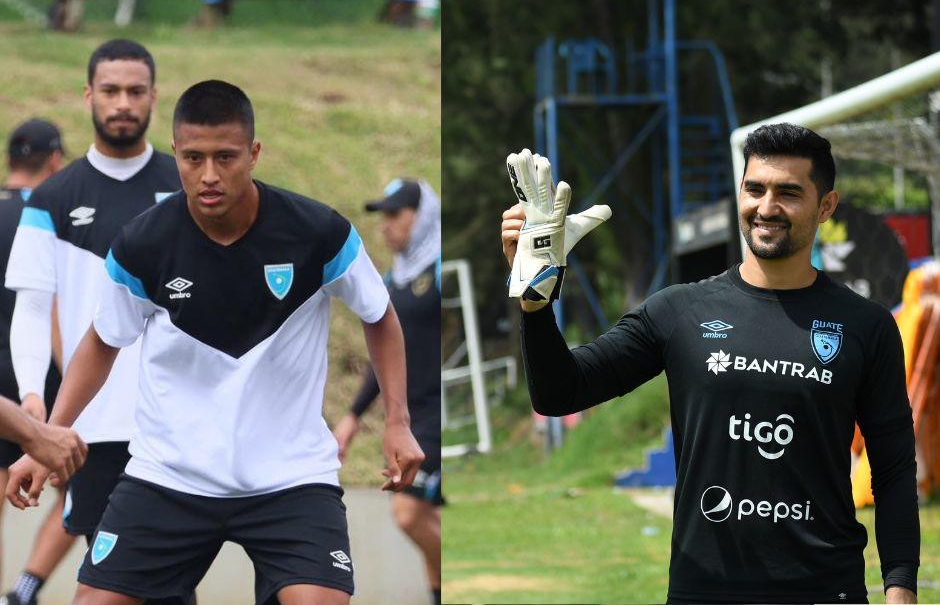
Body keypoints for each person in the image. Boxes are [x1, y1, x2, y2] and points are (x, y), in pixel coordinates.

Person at [6, 79, 424, 605]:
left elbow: (379, 315)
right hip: (169, 476)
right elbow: (101, 343)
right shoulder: (143, 244)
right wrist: (48, 437)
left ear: (253, 154)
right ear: (175, 153)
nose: (208, 175)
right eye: (192, 157)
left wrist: (397, 422)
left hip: (290, 479)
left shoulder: (318, 232)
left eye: (225, 157)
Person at [499, 124, 919, 604]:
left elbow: (892, 469)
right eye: (755, 189)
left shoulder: (865, 325)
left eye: (788, 193)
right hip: (705, 593)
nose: (766, 207)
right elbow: (559, 393)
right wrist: (535, 296)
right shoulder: (680, 310)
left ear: (826, 206)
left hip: (825, 590)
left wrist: (900, 586)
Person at [2, 40, 183, 604]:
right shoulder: (52, 199)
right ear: (88, 96)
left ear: (154, 96)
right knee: (124, 582)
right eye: (110, 90)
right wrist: (34, 397)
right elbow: (31, 308)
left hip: (181, 426)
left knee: (162, 581)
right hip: (97, 431)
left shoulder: (189, 186)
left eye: (135, 91)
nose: (122, 103)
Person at [334, 177, 442, 605]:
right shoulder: (393, 280)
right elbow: (385, 359)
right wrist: (353, 416)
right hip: (409, 418)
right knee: (423, 515)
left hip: (439, 416)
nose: (387, 226)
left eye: (396, 214)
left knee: (408, 512)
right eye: (383, 217)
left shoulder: (440, 269)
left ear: (424, 216)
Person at [0, 119, 78, 605]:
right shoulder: (51, 215)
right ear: (54, 160)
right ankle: (26, 589)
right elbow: (52, 308)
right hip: (38, 381)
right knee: (80, 489)